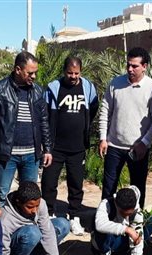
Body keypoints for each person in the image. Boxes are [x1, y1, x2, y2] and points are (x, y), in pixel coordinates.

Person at [98, 47, 152, 209]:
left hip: (138, 149)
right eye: (128, 65)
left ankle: (136, 224)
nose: (130, 69)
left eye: (134, 66)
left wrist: (144, 143)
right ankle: (105, 222)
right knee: (108, 187)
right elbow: (105, 110)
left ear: (145, 66)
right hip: (114, 147)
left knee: (137, 189)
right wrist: (102, 138)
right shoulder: (115, 84)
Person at [0, 51, 52, 206]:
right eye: (30, 73)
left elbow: (44, 122)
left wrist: (47, 149)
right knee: (0, 194)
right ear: (18, 69)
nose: (34, 77)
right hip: (6, 155)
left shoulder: (38, 91)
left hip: (31, 156)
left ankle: (25, 228)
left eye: (35, 73)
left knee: (29, 197)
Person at [42, 56, 99, 234]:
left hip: (77, 147)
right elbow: (44, 114)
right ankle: (49, 214)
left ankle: (74, 216)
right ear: (64, 71)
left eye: (76, 73)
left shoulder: (88, 88)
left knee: (76, 184)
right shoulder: (54, 88)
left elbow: (94, 108)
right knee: (49, 183)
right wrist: (46, 145)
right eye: (70, 73)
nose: (73, 76)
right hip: (55, 148)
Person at [0, 181, 69, 255]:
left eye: (37, 206)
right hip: (15, 249)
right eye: (30, 207)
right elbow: (2, 254)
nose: (35, 210)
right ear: (18, 202)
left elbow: (48, 232)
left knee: (63, 225)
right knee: (33, 232)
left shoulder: (40, 204)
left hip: (32, 241)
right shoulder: (5, 219)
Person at [90, 186, 152, 255]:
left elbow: (137, 238)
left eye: (129, 214)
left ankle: (125, 254)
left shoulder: (136, 212)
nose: (126, 216)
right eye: (123, 213)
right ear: (116, 203)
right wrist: (127, 229)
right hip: (107, 242)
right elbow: (100, 225)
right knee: (102, 225)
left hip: (122, 242)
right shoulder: (106, 204)